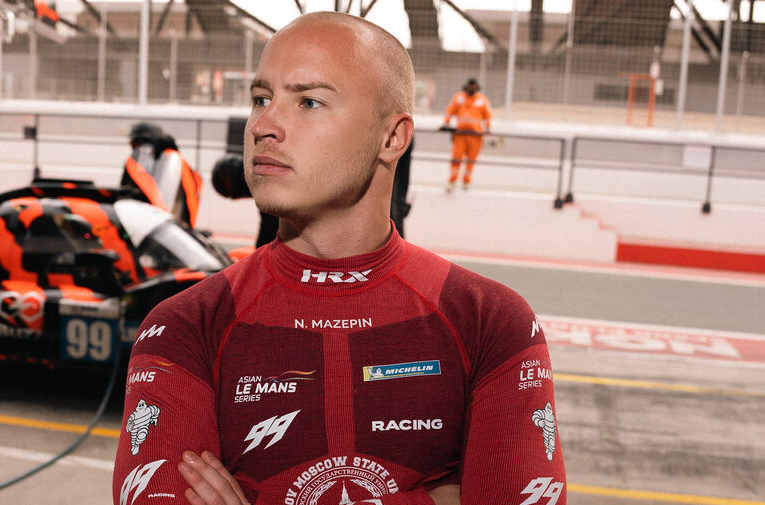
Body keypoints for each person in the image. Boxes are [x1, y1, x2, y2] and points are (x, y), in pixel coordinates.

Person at [113, 11, 565, 505]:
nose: (262, 125)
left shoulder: (491, 322)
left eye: (309, 101)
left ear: (392, 138)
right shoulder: (183, 326)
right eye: (261, 99)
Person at [122, 122, 202, 228]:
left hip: (165, 226)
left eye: (134, 142)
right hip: (178, 226)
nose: (132, 146)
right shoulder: (173, 158)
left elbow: (163, 199)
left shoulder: (167, 160)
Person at [440, 78, 491, 192]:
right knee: (456, 158)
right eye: (470, 85)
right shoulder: (459, 98)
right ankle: (452, 180)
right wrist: (446, 123)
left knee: (471, 159)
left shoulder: (482, 100)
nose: (471, 88)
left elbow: (488, 115)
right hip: (460, 134)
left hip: (476, 135)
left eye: (473, 86)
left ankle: (466, 180)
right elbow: (450, 111)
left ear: (477, 87)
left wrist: (487, 127)